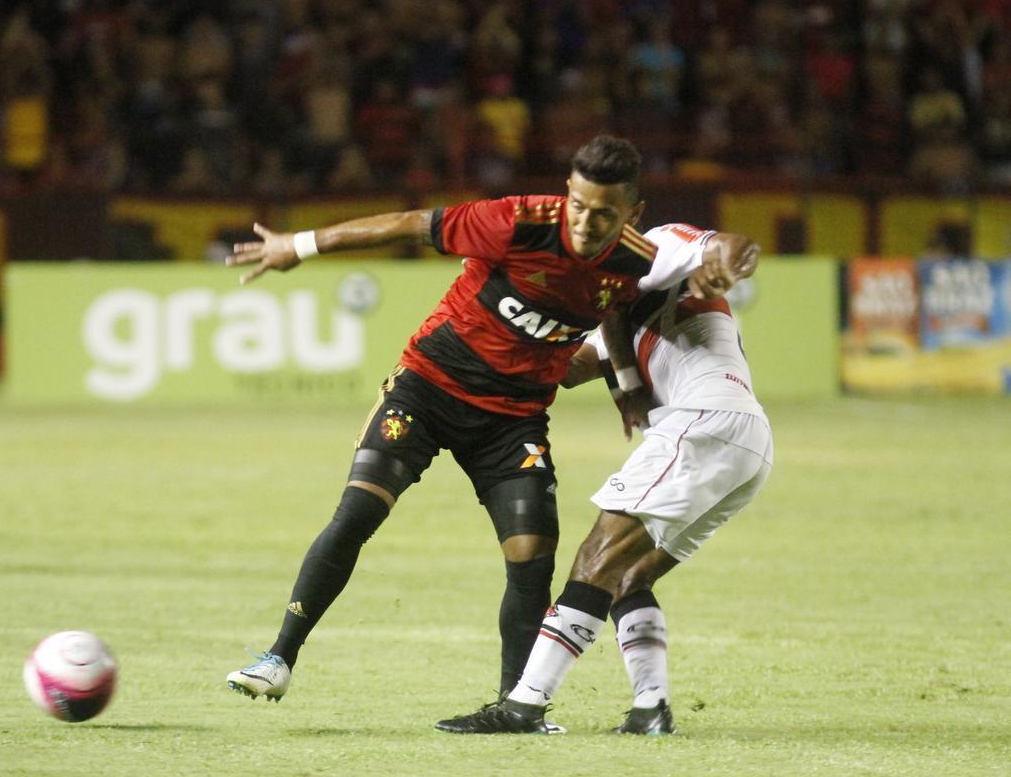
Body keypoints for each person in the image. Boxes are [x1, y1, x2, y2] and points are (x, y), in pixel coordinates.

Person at [223, 135, 758, 709]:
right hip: (429, 388)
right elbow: (408, 225)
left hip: (513, 419)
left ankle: (515, 702)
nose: (584, 223)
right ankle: (279, 656)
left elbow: (622, 308)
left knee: (533, 552)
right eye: (578, 205)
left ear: (633, 215)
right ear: (566, 194)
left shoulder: (633, 260)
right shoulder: (517, 221)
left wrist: (628, 384)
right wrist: (297, 246)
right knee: (359, 510)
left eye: (603, 214)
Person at [435, 238, 772, 735]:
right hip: (748, 442)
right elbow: (571, 368)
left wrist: (724, 264)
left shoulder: (657, 247)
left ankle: (523, 705)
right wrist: (506, 308)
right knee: (629, 575)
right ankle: (650, 709)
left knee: (597, 556)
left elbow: (728, 246)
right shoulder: (607, 301)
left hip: (704, 422)